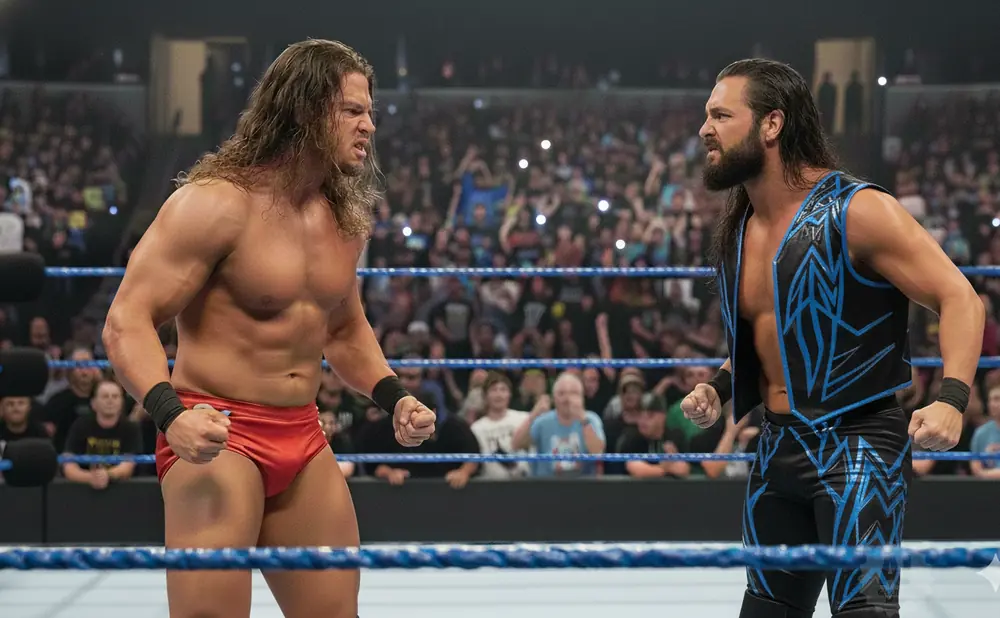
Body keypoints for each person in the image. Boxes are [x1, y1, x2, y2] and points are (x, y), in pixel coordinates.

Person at [103, 39, 437, 618]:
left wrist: (394, 396)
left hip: (302, 436)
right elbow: (126, 319)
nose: (369, 126)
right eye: (352, 111)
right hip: (218, 434)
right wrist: (171, 415)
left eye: (370, 112)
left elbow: (344, 329)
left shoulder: (344, 220)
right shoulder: (215, 205)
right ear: (305, 109)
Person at [682, 58, 984, 618]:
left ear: (771, 124)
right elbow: (780, 332)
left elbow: (960, 297)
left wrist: (952, 398)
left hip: (858, 445)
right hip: (775, 447)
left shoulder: (857, 210)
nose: (705, 129)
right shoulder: (740, 226)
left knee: (864, 611)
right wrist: (721, 387)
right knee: (766, 608)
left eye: (721, 115)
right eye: (707, 116)